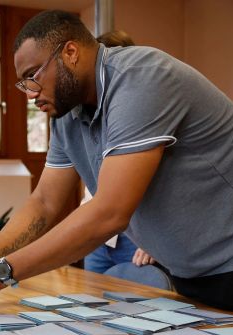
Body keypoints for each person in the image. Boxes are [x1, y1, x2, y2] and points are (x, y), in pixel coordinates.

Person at [0, 10, 233, 311]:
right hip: (190, 274)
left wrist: (0, 273)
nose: (29, 94)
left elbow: (110, 213)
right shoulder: (65, 115)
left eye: (32, 76)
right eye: (23, 83)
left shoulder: (141, 78)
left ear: (70, 53)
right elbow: (45, 202)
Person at [84, 30, 155, 272]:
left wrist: (157, 243)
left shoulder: (146, 114)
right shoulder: (88, 115)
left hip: (136, 239)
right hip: (96, 237)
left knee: (138, 305)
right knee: (90, 302)